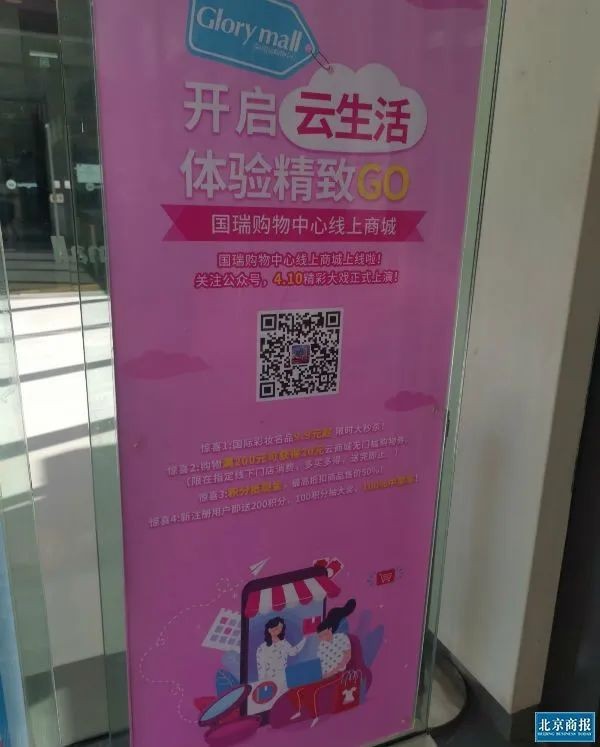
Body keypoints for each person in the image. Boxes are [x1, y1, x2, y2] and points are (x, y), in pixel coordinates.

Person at [256, 617, 306, 688]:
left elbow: (293, 652)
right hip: (269, 683)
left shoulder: (283, 643)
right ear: (269, 629)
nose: (279, 630)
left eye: (281, 628)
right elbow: (261, 669)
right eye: (276, 628)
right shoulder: (261, 648)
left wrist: (304, 639)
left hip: (283, 680)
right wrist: (263, 685)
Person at [316, 598, 356, 677]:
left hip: (339, 674)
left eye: (324, 634)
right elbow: (321, 663)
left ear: (330, 629)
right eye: (320, 636)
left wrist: (335, 670)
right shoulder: (321, 645)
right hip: (327, 676)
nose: (322, 638)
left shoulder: (341, 638)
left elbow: (347, 656)